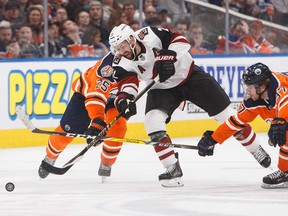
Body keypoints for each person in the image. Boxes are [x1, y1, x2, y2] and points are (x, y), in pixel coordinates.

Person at [108, 24, 271, 187]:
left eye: (122, 46)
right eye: (117, 48)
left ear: (130, 39)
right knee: (152, 121)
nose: (121, 51)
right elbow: (127, 83)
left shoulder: (149, 34)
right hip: (161, 88)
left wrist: (168, 57)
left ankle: (256, 149)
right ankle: (172, 168)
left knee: (226, 116)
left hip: (190, 76)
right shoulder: (120, 61)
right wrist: (125, 99)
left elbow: (181, 40)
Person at [38, 52, 127, 182]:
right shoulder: (107, 69)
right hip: (87, 94)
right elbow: (95, 97)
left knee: (118, 128)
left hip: (114, 99)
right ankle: (51, 156)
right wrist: (97, 120)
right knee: (69, 130)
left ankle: (107, 163)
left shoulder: (138, 56)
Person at [197, 62, 288, 188]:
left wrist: (281, 121)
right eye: (246, 87)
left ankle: (285, 172)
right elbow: (236, 122)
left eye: (250, 87)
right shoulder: (252, 101)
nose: (247, 91)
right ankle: (286, 172)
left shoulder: (281, 86)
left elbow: (286, 102)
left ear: (262, 86)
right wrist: (213, 139)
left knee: (284, 131)